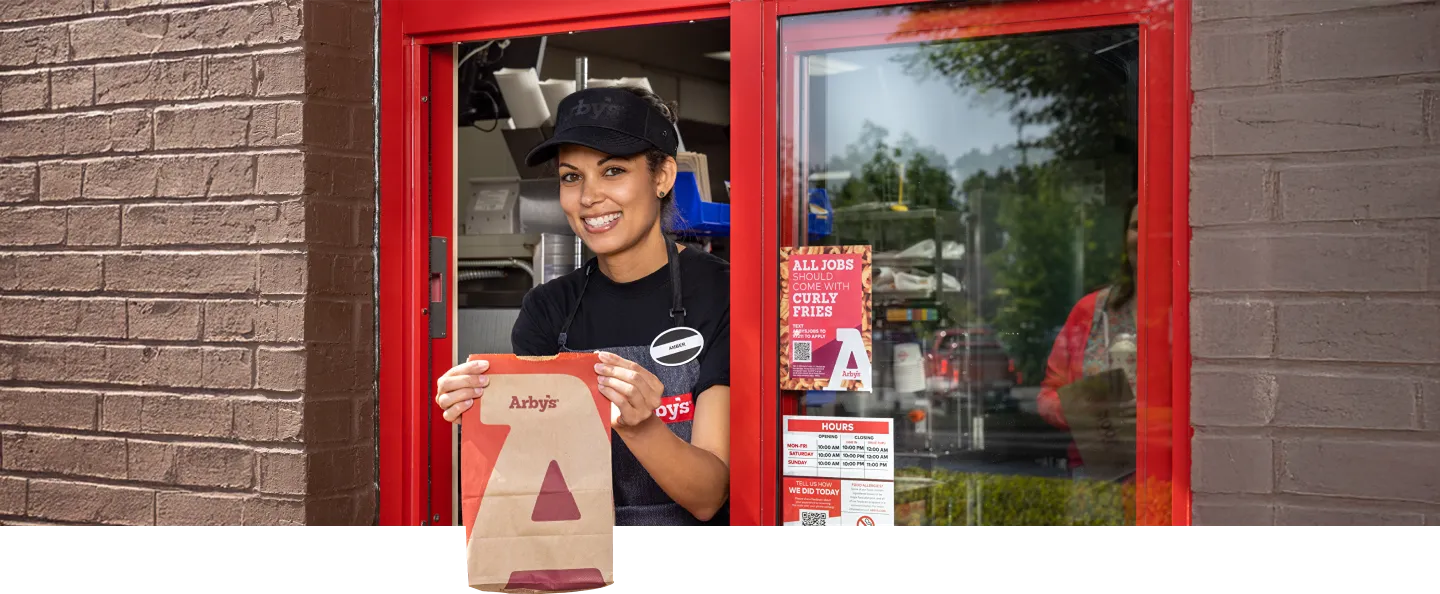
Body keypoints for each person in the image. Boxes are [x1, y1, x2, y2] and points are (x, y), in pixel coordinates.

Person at [434, 86, 731, 528]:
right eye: (571, 177)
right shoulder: (547, 310)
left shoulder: (720, 291)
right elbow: (534, 479)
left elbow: (710, 495)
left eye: (612, 171)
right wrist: (482, 417)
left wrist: (641, 428)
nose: (588, 197)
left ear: (663, 176)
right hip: (579, 564)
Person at [1036, 199, 1139, 480]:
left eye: (1158, 227)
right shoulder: (1090, 312)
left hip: (1171, 478)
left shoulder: (1192, 311)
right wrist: (1084, 407)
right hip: (1097, 479)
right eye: (1136, 227)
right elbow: (1048, 396)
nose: (1145, 236)